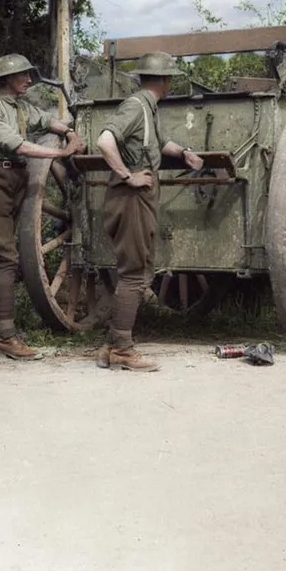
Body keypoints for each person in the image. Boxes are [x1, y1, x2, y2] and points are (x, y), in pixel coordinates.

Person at [0, 53, 85, 360]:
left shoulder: (20, 107)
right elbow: (15, 145)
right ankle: (7, 336)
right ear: (5, 80)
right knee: (6, 259)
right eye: (22, 76)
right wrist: (57, 154)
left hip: (15, 178)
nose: (29, 80)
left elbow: (44, 120)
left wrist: (67, 131)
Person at [95, 51, 204, 372]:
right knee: (134, 274)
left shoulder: (146, 107)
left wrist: (184, 153)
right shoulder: (135, 106)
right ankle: (123, 350)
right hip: (131, 196)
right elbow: (104, 141)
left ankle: (113, 345)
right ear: (166, 80)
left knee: (139, 269)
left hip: (138, 196)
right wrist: (128, 175)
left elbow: (158, 143)